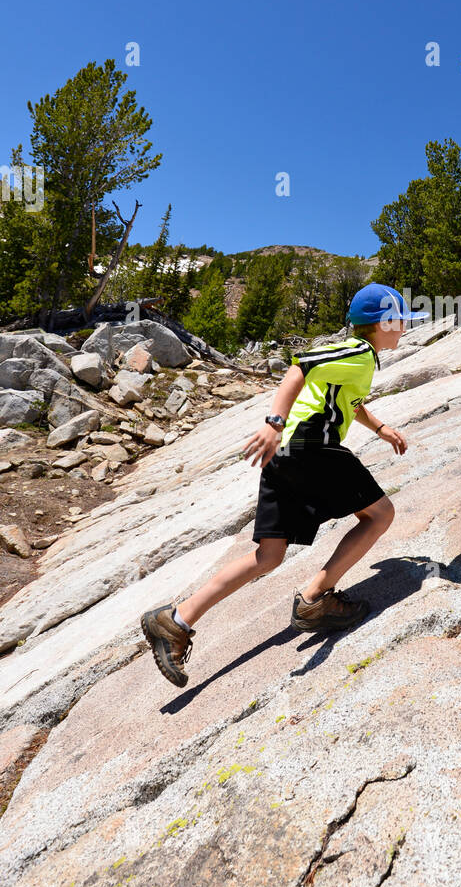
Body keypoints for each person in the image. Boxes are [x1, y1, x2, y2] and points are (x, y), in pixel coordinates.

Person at [140, 283, 429, 687]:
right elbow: (302, 366)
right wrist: (273, 423)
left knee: (269, 556)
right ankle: (314, 600)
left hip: (285, 455)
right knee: (380, 515)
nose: (405, 330)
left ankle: (175, 620)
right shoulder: (358, 352)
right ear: (384, 323)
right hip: (309, 445)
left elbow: (350, 401)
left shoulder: (359, 360)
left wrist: (380, 427)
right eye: (401, 323)